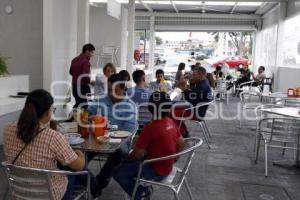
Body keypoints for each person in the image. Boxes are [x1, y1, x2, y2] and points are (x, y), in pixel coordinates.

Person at [3, 89, 96, 200]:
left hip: (20, 191)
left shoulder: (8, 128)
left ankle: (94, 189)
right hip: (48, 195)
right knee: (77, 172)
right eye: (53, 109)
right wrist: (80, 152)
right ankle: (94, 190)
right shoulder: (52, 137)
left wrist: (52, 131)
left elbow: (32, 136)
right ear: (47, 112)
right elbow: (79, 166)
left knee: (63, 166)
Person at [113, 91, 185, 200]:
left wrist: (127, 157)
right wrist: (174, 158)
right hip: (167, 166)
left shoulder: (150, 128)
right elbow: (181, 143)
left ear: (149, 108)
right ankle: (139, 188)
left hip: (155, 170)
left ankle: (141, 193)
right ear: (169, 108)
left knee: (118, 171)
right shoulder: (170, 122)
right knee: (128, 162)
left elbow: (137, 154)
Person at [87, 74, 137, 194]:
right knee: (79, 155)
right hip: (98, 139)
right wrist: (89, 117)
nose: (111, 93)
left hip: (119, 143)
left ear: (123, 89)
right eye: (109, 89)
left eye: (115, 90)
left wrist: (106, 126)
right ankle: (85, 179)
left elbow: (127, 132)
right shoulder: (101, 99)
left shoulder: (130, 106)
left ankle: (98, 184)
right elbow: (88, 113)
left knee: (117, 155)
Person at [69, 43, 95, 109]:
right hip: (82, 87)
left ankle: (71, 117)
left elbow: (71, 72)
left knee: (78, 104)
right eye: (92, 52)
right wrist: (90, 82)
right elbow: (85, 76)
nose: (92, 55)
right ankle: (72, 118)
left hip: (74, 86)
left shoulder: (74, 60)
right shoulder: (86, 62)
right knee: (84, 107)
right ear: (87, 51)